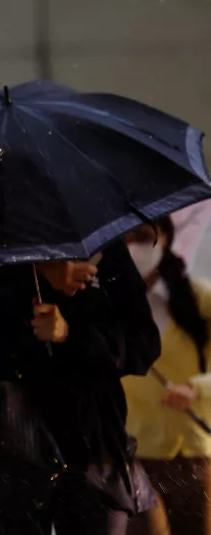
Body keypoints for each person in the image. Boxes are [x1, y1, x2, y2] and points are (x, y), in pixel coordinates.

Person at [0, 240, 161, 535]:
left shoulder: (98, 242)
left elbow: (143, 343)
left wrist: (71, 333)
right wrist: (36, 278)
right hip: (9, 443)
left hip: (92, 444)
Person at [124, 217, 211, 535]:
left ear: (167, 237)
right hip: (133, 457)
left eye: (144, 236)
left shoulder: (198, 299)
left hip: (191, 453)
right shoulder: (107, 305)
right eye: (126, 238)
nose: (134, 246)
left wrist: (196, 389)